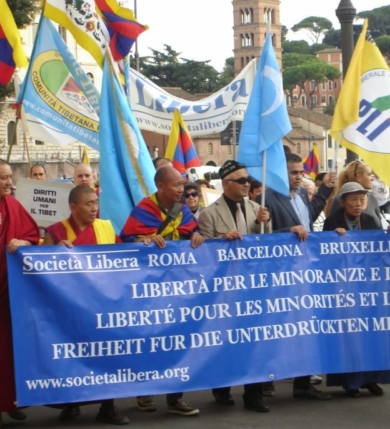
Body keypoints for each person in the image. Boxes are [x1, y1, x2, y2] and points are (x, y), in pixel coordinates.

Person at [120, 166, 204, 417]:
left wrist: (197, 236)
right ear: (161, 187)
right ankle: (143, 391)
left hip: (178, 284)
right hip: (149, 288)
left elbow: (192, 231)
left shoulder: (184, 210)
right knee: (148, 339)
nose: (182, 190)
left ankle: (175, 397)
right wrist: (142, 241)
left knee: (177, 339)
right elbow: (125, 240)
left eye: (182, 185)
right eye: (176, 185)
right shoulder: (144, 210)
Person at [43, 186, 129, 425]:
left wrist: (147, 243)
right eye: (89, 204)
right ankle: (71, 403)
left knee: (106, 354)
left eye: (96, 203)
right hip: (69, 307)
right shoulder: (56, 232)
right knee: (72, 354)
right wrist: (54, 254)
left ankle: (108, 406)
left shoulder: (105, 228)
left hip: (101, 304)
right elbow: (38, 270)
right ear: (73, 207)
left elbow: (125, 258)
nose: (94, 208)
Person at [258, 153, 335, 400]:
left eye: (301, 172)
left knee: (306, 328)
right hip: (280, 274)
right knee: (277, 329)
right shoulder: (268, 198)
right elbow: (262, 235)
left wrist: (323, 191)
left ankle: (302, 384)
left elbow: (308, 221)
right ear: (281, 172)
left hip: (306, 270)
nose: (299, 176)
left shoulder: (302, 193)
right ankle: (266, 381)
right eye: (293, 172)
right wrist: (286, 231)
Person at [197, 160, 272, 413]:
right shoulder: (209, 213)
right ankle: (222, 387)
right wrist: (220, 240)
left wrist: (266, 223)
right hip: (224, 290)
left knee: (255, 340)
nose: (247, 184)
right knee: (226, 341)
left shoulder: (256, 208)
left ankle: (254, 394)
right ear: (226, 184)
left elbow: (267, 245)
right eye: (241, 180)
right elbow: (204, 255)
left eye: (248, 180)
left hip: (252, 286)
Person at [0, 159, 40, 429]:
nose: (10, 182)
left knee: (13, 348)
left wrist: (22, 241)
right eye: (4, 178)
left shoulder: (12, 205)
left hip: (12, 290)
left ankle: (13, 402)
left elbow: (32, 235)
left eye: (10, 177)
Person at [324, 182, 390, 397]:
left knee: (372, 334)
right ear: (343, 201)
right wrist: (333, 238)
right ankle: (351, 383)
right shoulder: (332, 222)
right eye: (354, 199)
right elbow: (324, 254)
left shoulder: (371, 220)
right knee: (350, 336)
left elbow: (380, 251)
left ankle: (372, 380)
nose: (358, 204)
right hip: (343, 287)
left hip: (368, 286)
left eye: (362, 199)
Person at [329, 161, 385, 228]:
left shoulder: (372, 199)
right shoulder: (338, 200)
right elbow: (330, 229)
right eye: (369, 174)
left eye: (362, 199)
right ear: (359, 177)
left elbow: (380, 230)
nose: (372, 179)